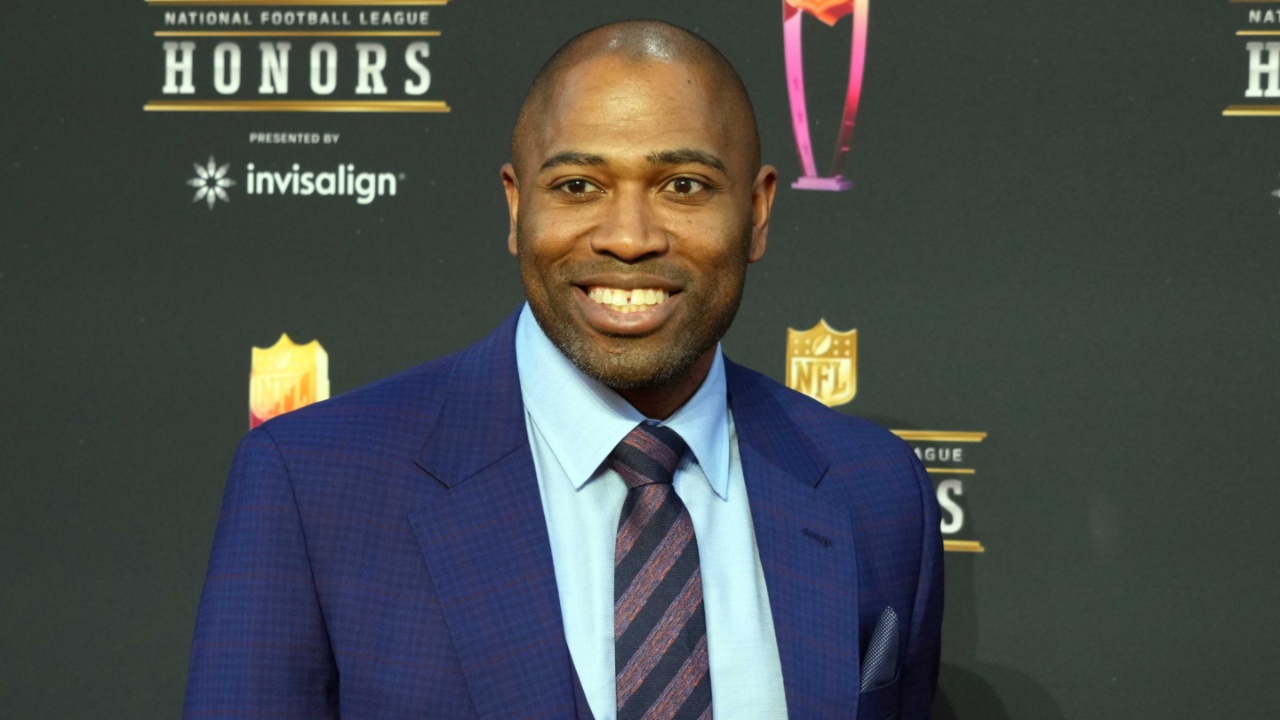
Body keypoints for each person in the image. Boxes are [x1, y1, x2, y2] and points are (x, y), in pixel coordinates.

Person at [183, 19, 942, 720]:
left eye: (684, 186)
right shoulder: (315, 485)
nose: (629, 237)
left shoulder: (874, 491)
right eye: (578, 185)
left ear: (759, 212)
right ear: (517, 208)